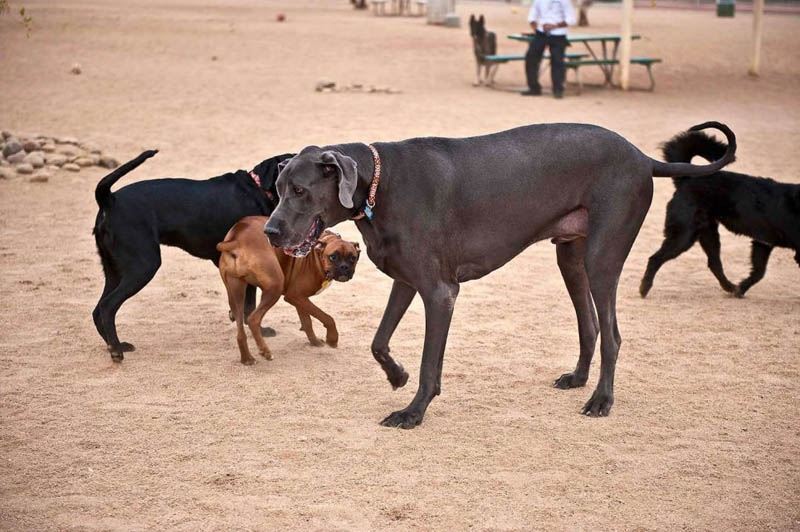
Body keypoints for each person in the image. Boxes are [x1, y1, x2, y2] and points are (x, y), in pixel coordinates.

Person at [522, 0, 577, 99]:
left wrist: (555, 26)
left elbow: (571, 19)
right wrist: (535, 27)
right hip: (541, 33)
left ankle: (558, 89)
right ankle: (534, 87)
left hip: (558, 34)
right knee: (531, 58)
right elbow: (533, 14)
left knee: (557, 61)